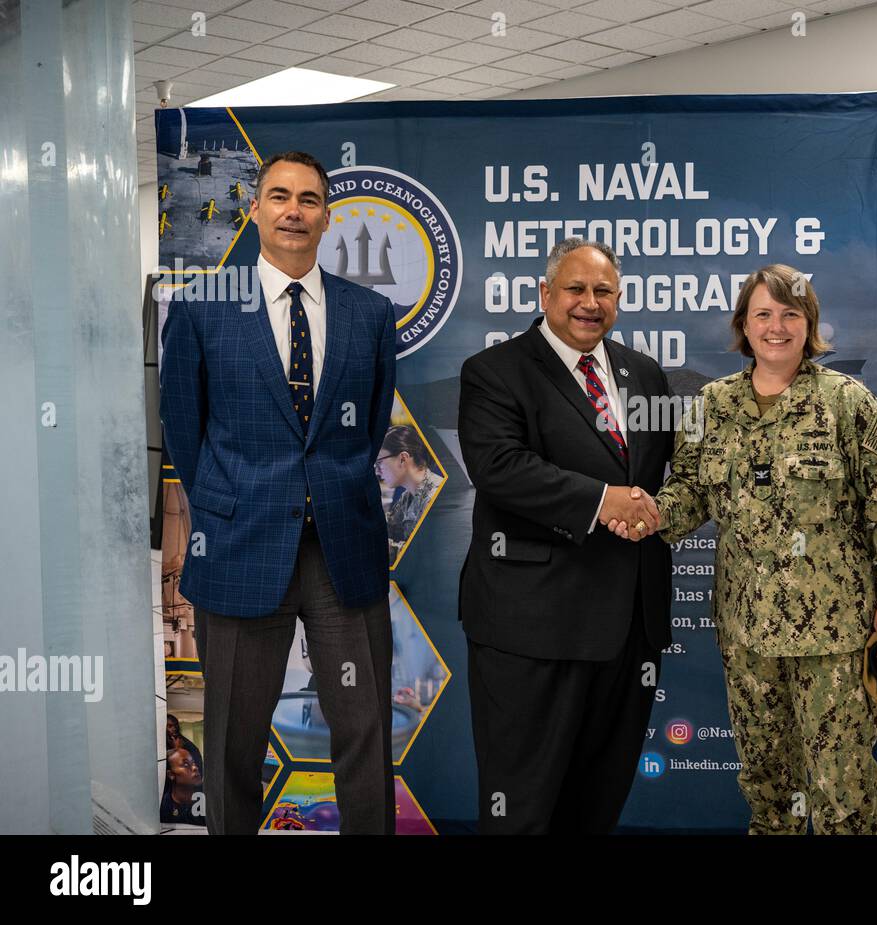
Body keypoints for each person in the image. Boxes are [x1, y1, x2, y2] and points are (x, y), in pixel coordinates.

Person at [611, 264, 877, 834]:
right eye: (764, 314)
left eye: (791, 314)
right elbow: (689, 491)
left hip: (835, 636)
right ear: (744, 324)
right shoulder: (712, 406)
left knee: (842, 789)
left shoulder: (847, 403)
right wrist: (647, 518)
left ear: (810, 325)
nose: (777, 327)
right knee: (767, 785)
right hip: (747, 635)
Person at [160, 150, 397, 835]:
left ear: (327, 217)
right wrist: (228, 506)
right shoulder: (202, 307)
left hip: (342, 552)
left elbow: (368, 425)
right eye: (280, 196)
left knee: (364, 732)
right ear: (256, 208)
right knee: (234, 738)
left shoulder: (369, 314)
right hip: (237, 550)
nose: (295, 209)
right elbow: (183, 429)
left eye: (310, 199)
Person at [457, 237, 673, 833]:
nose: (589, 302)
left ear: (619, 300)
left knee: (596, 802)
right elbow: (500, 468)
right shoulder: (494, 371)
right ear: (546, 294)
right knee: (521, 804)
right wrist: (604, 502)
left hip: (629, 628)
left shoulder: (645, 375)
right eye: (575, 289)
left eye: (603, 291)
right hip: (532, 627)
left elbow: (658, 480)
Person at [376, 425, 443, 564]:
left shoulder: (434, 498)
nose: (378, 471)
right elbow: (388, 529)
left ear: (403, 459)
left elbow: (426, 553)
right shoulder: (409, 496)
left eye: (380, 463)